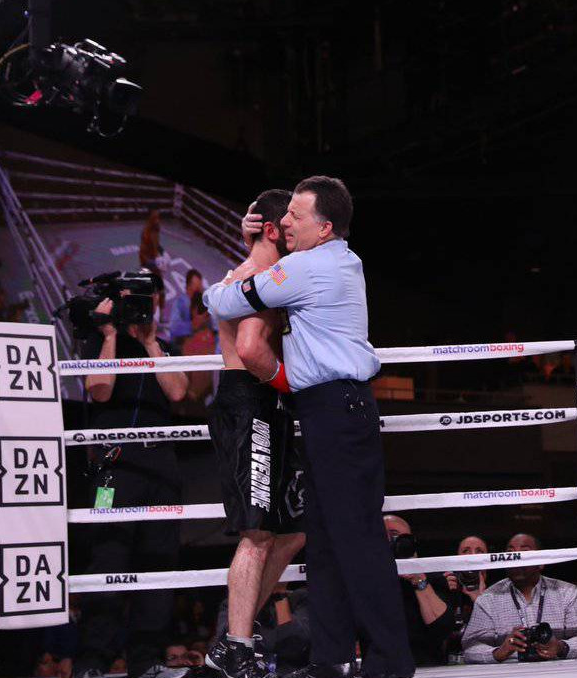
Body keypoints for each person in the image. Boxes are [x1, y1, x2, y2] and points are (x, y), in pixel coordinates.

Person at [204, 176, 414, 678]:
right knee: (323, 539)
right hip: (326, 411)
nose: (286, 224)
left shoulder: (310, 265)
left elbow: (223, 302)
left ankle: (390, 661)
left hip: (336, 410)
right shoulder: (334, 258)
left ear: (323, 228)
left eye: (295, 217)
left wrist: (255, 247)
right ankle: (331, 657)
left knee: (358, 538)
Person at [205, 190, 307, 678]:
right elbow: (250, 350)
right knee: (259, 532)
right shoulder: (254, 279)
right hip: (251, 402)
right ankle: (239, 646)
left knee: (292, 531)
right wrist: (289, 385)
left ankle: (231, 637)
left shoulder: (254, 275)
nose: (293, 232)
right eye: (286, 225)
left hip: (263, 405)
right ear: (270, 229)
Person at [75, 284, 188, 678]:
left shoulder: (167, 348)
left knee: (158, 562)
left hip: (160, 464)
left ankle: (146, 658)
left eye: (147, 300)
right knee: (107, 558)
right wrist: (109, 336)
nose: (140, 309)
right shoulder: (100, 343)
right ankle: (93, 658)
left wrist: (153, 343)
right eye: (131, 301)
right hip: (115, 465)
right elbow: (99, 390)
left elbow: (178, 390)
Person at [460, 533, 577, 664]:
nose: (516, 558)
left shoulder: (567, 592)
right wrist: (498, 652)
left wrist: (561, 647)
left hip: (558, 670)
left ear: (541, 563)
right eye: (510, 553)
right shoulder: (488, 598)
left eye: (524, 553)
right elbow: (470, 648)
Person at [383, 515, 456, 666]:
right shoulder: (361, 580)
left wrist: (417, 578)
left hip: (425, 666)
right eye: (383, 535)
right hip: (378, 668)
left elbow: (442, 629)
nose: (391, 542)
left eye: (396, 536)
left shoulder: (434, 579)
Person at [168, 269, 208, 345]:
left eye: (200, 286)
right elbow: (173, 328)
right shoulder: (180, 303)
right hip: (180, 347)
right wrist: (192, 326)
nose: (200, 289)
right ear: (188, 286)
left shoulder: (203, 304)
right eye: (197, 287)